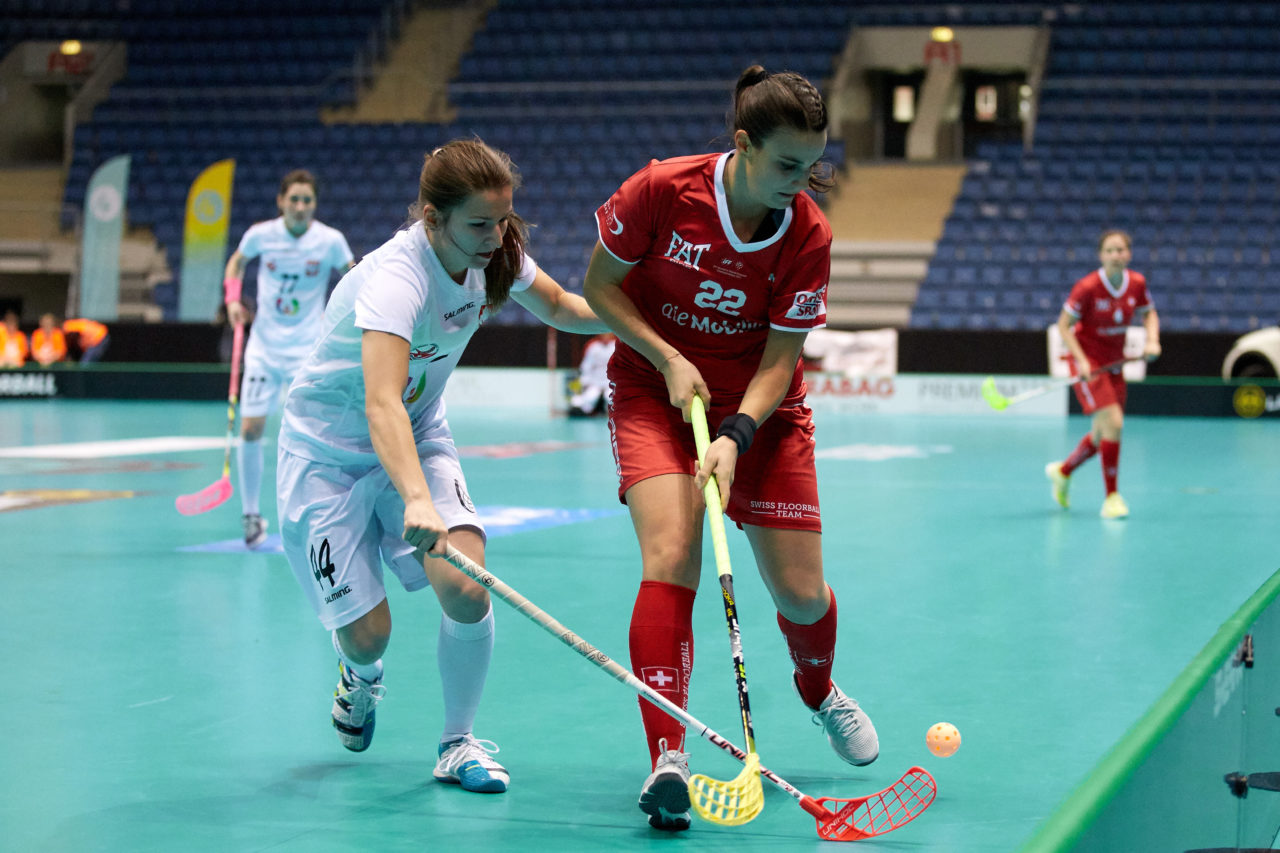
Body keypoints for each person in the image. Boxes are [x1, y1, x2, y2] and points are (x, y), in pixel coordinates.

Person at [582, 65, 879, 832]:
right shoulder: (661, 190)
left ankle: (819, 692)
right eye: (785, 165)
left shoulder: (808, 233)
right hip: (656, 391)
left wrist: (736, 434)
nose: (799, 182)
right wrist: (665, 354)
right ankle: (667, 756)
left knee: (803, 595)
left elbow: (781, 360)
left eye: (810, 167)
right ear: (743, 145)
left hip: (763, 414)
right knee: (672, 551)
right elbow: (601, 288)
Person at [275, 138, 607, 794]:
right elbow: (380, 402)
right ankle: (361, 676)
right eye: (479, 224)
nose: (494, 237)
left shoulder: (496, 255)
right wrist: (416, 501)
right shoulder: (396, 279)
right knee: (369, 637)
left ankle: (457, 742)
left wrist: (657, 328)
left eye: (503, 220)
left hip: (420, 432)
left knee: (468, 585)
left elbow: (567, 307)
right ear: (433, 217)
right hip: (327, 457)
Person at [224, 169, 355, 548]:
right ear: (281, 201)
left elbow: (352, 276)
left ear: (315, 204)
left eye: (307, 200)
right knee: (249, 429)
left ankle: (319, 513)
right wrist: (233, 299)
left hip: (307, 351)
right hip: (264, 348)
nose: (300, 207)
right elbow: (236, 262)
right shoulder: (261, 235)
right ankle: (251, 516)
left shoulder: (330, 240)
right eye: (294, 199)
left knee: (313, 435)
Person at [1045, 229, 1161, 519]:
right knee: (1115, 423)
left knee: (1101, 433)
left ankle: (1063, 472)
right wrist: (1082, 361)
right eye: (1110, 250)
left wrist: (1152, 339)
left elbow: (1149, 313)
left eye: (1121, 250)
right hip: (1089, 364)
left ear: (1128, 254)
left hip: (1115, 364)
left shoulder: (1137, 283)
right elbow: (1063, 326)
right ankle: (1112, 498)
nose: (1116, 255)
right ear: (1101, 255)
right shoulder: (1086, 288)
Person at [567, 332, 616, 416]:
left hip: (611, 382)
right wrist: (585, 381)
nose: (606, 335)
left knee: (610, 398)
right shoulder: (593, 346)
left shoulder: (616, 345)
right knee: (589, 398)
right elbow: (586, 366)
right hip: (595, 382)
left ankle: (611, 414)